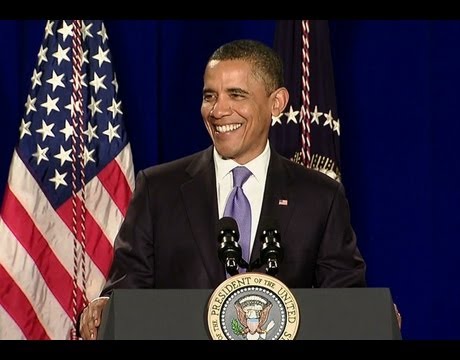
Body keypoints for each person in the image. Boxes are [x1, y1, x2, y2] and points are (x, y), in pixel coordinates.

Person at [79, 39, 367, 340]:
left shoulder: (320, 196)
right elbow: (126, 292)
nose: (218, 111)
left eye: (236, 95)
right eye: (209, 96)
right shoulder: (158, 189)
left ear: (276, 103)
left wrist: (369, 313)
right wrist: (107, 306)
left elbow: (346, 301)